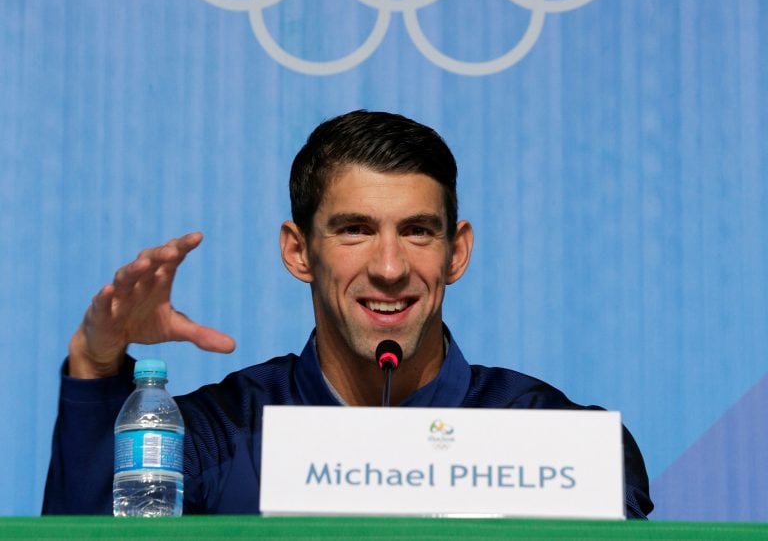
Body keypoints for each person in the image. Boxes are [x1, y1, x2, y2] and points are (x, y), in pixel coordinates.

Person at [43, 110, 653, 518]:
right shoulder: (216, 437)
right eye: (355, 230)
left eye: (417, 231)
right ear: (298, 250)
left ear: (456, 252)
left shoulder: (562, 445)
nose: (389, 267)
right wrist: (97, 365)